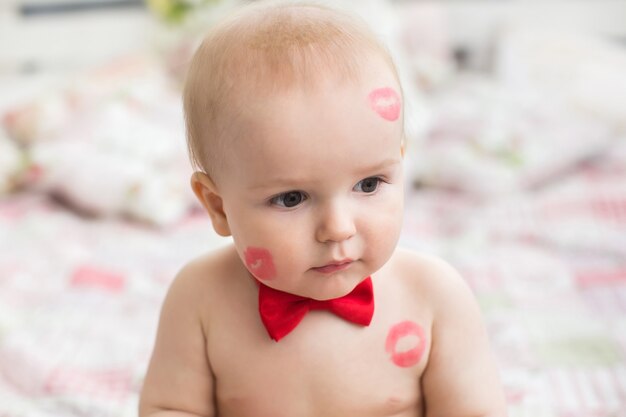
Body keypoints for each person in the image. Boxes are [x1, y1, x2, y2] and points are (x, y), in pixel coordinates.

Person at [139, 1, 507, 416]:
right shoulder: (200, 299)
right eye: (291, 198)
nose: (338, 228)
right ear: (218, 207)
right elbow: (170, 408)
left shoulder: (434, 296)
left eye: (368, 184)